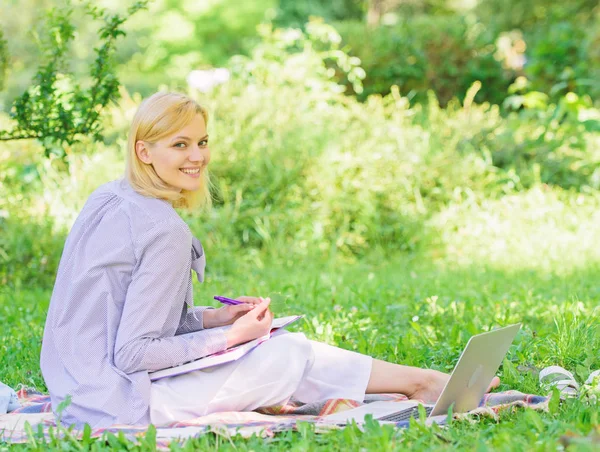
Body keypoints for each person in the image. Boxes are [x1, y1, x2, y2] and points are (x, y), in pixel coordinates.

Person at [40, 92, 498, 428]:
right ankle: (423, 384)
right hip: (117, 401)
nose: (197, 156)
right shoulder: (164, 230)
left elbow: (124, 315)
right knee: (283, 354)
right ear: (145, 151)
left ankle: (420, 383)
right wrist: (231, 337)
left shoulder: (110, 198)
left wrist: (216, 317)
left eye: (201, 142)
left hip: (74, 387)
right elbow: (135, 352)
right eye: (179, 145)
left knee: (285, 351)